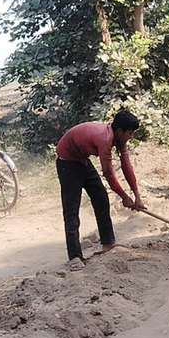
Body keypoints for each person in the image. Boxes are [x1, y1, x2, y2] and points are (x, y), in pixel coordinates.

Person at [56, 110, 144, 269]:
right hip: (67, 162)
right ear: (120, 131)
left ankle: (108, 243)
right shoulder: (105, 139)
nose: (131, 136)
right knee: (71, 210)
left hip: (82, 159)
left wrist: (137, 195)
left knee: (101, 198)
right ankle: (74, 257)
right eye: (130, 133)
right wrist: (124, 197)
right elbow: (108, 173)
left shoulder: (119, 139)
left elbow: (126, 165)